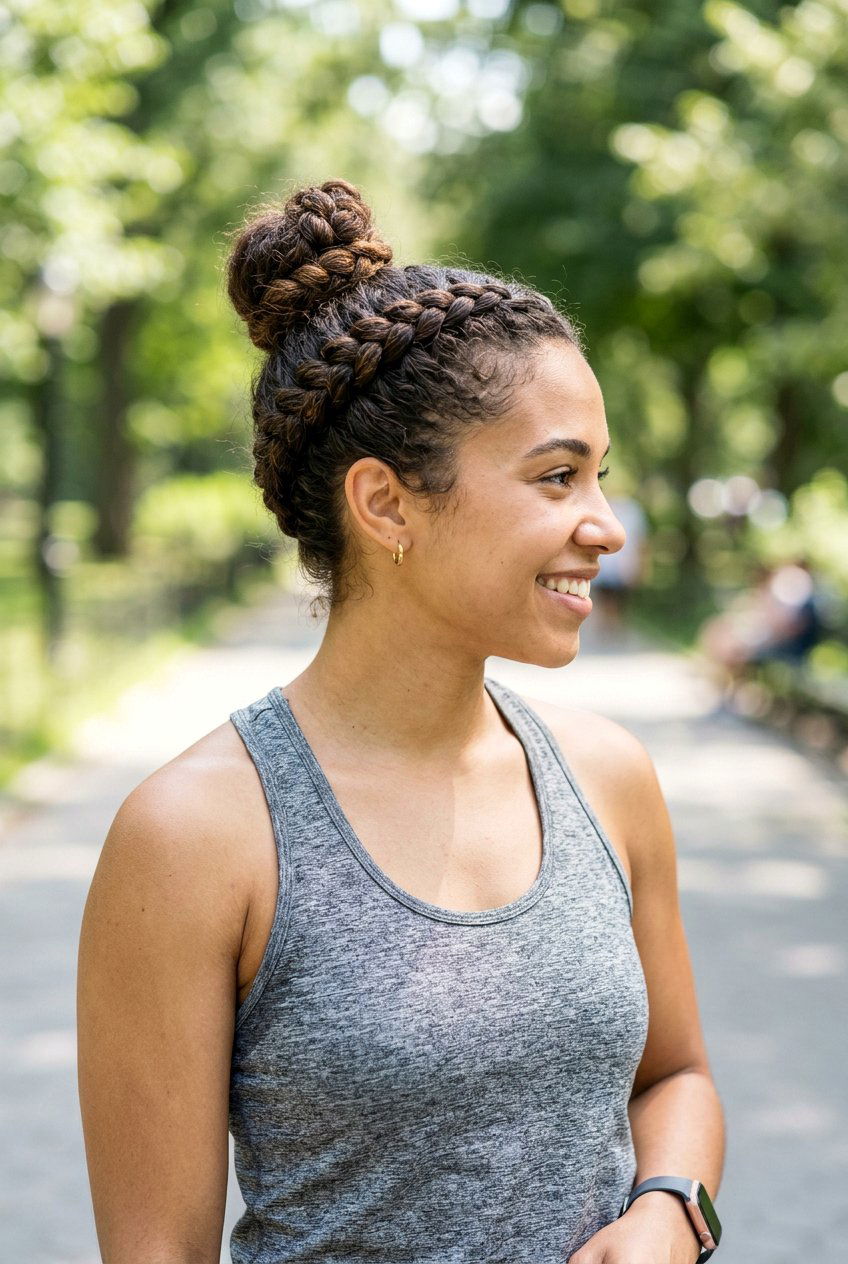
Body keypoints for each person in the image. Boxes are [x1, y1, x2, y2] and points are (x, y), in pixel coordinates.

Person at [77, 179, 725, 1264]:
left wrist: (668, 1210)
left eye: (597, 476)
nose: (605, 527)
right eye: (556, 475)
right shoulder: (194, 836)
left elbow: (675, 1076)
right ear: (384, 505)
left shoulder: (607, 777)